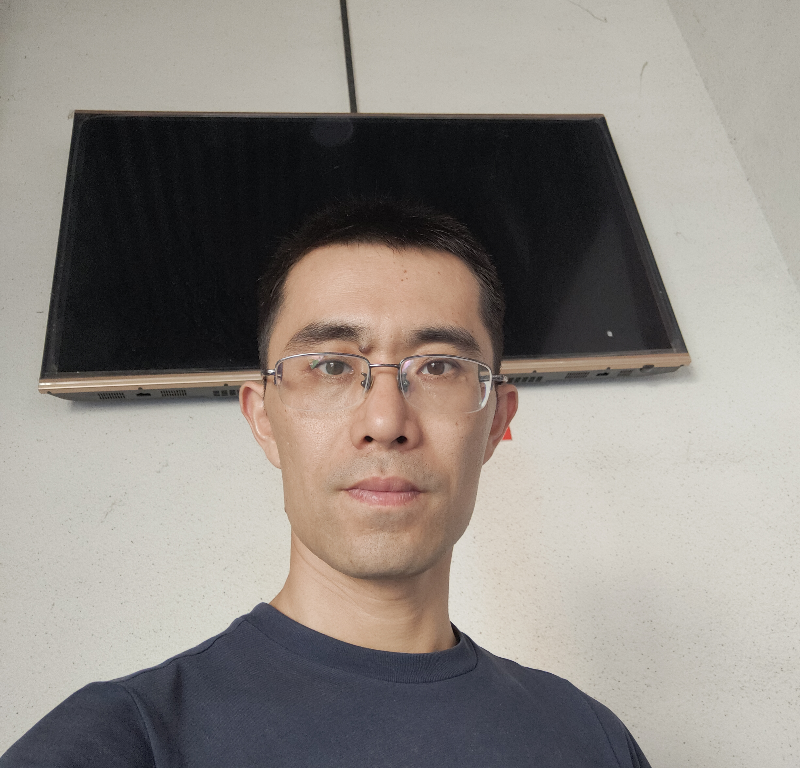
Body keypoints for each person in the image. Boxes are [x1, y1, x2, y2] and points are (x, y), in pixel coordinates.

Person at [1, 198, 651, 767]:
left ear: (494, 424)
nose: (385, 423)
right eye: (333, 365)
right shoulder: (127, 737)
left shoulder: (589, 735)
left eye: (438, 367)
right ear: (264, 419)